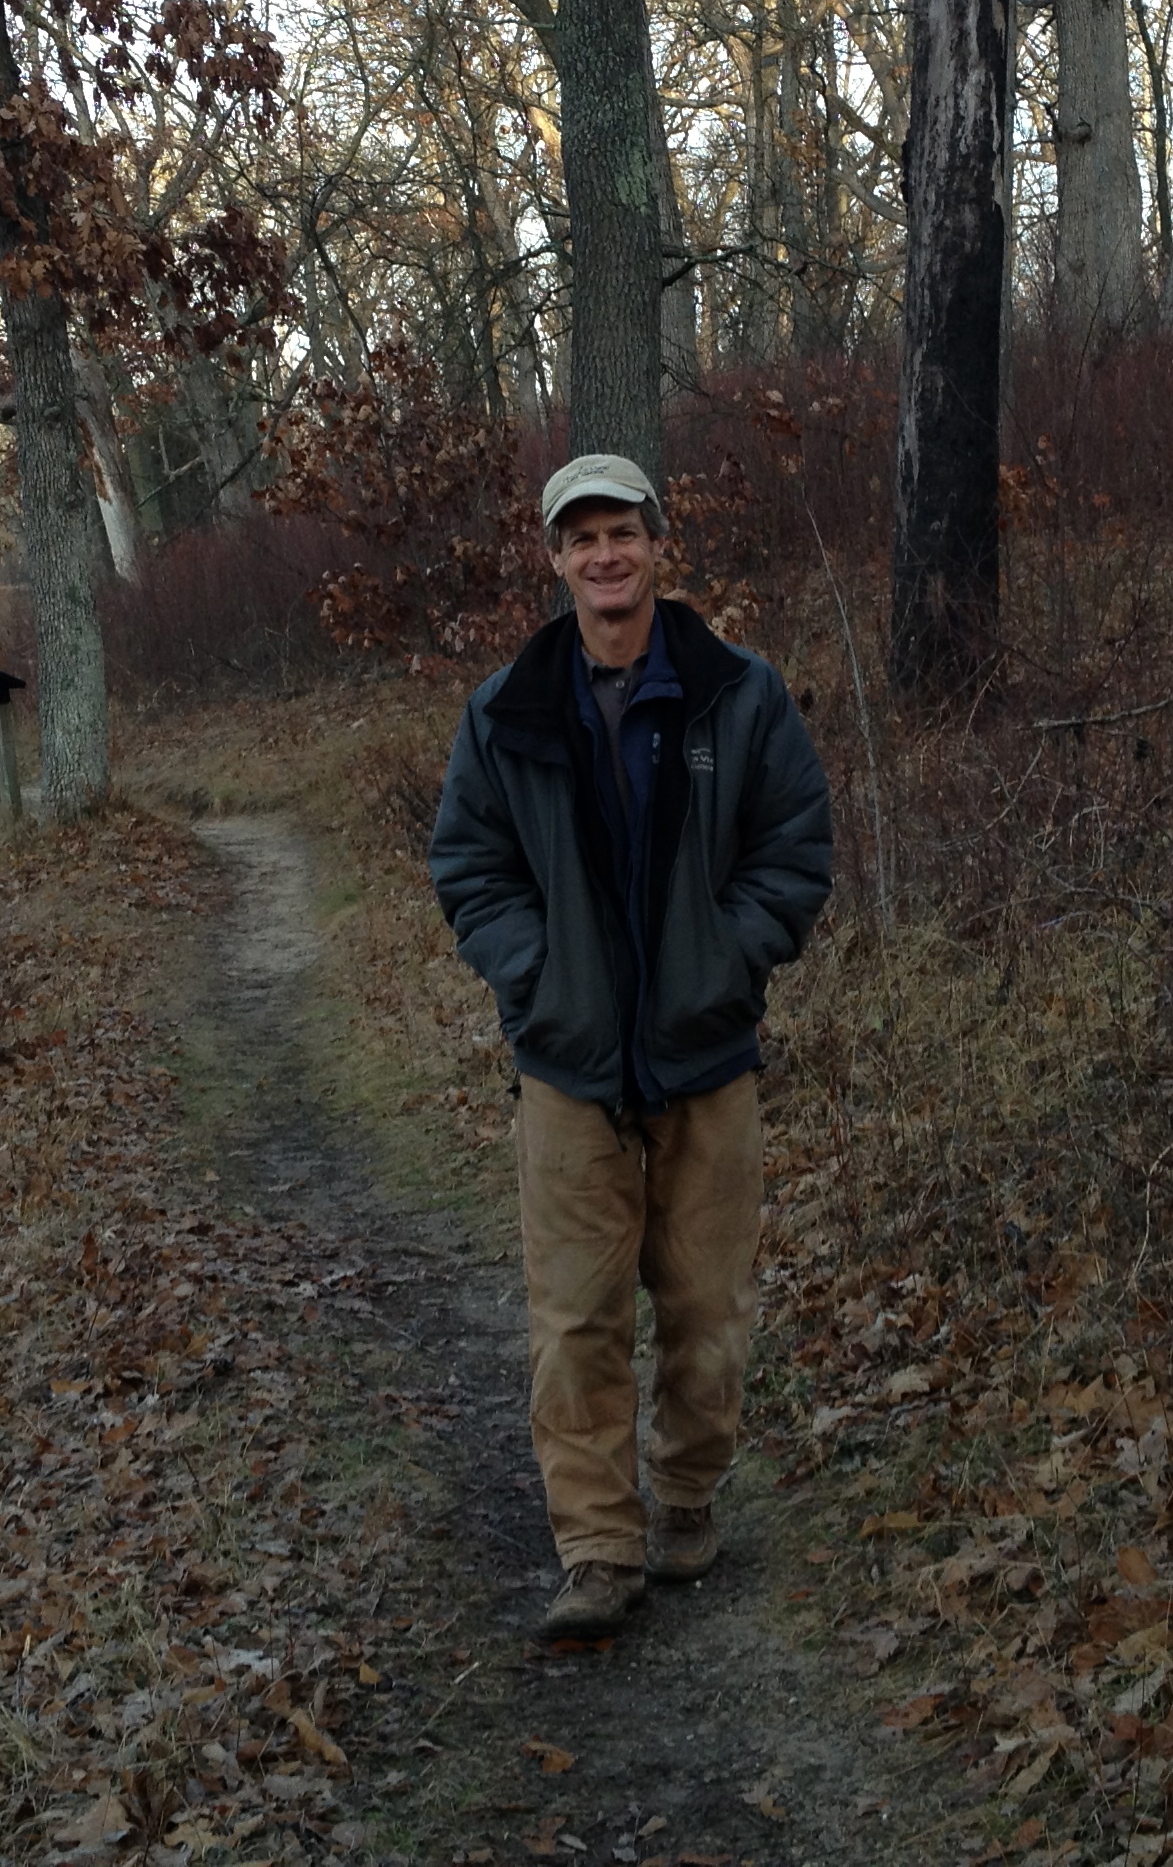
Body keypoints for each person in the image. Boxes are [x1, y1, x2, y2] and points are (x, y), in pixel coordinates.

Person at [429, 452, 835, 1638]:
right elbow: (471, 866)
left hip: (707, 1060)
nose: (604, 555)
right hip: (570, 1068)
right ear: (555, 560)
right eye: (582, 538)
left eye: (623, 532)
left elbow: (795, 846)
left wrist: (726, 959)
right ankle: (599, 1549)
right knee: (575, 1322)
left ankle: (688, 1499)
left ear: (659, 544)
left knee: (708, 1310)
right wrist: (538, 978)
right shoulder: (506, 711)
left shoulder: (738, 695)